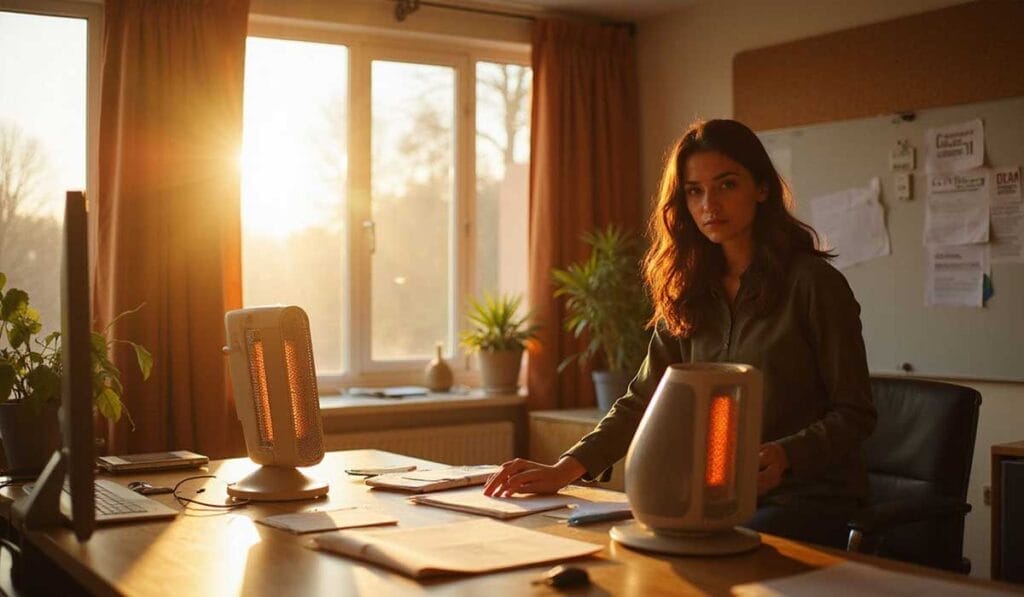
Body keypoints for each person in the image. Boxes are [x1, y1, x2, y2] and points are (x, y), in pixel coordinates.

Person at [483, 119, 877, 549]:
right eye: (695, 191)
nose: (710, 204)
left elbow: (855, 413)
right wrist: (565, 469)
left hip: (808, 499)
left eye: (726, 185)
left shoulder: (813, 284)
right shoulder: (690, 291)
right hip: (712, 496)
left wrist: (787, 454)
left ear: (761, 188)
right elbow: (642, 399)